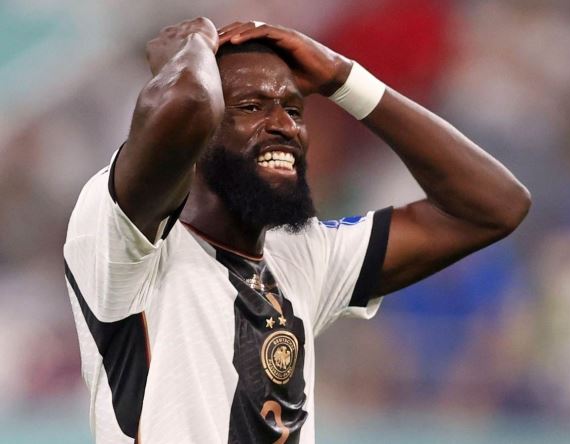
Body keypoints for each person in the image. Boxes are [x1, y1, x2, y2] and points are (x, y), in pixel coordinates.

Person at [63, 17, 530, 444]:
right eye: (251, 106)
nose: (284, 126)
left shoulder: (302, 255)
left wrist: (344, 79)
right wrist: (192, 47)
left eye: (294, 109)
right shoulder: (124, 241)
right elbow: (186, 103)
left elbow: (494, 207)